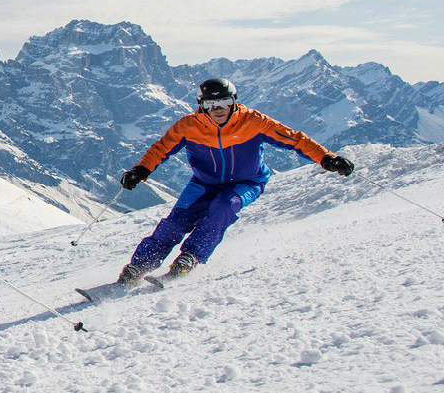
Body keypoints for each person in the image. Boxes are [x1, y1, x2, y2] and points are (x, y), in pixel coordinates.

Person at [116, 78, 354, 283]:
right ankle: (139, 267)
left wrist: (327, 158)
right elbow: (161, 149)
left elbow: (296, 140)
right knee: (176, 222)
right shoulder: (189, 126)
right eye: (211, 104)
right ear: (201, 106)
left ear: (234, 102)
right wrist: (140, 171)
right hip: (203, 184)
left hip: (247, 182)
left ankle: (189, 258)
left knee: (222, 208)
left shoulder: (253, 121)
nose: (218, 109)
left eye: (225, 103)